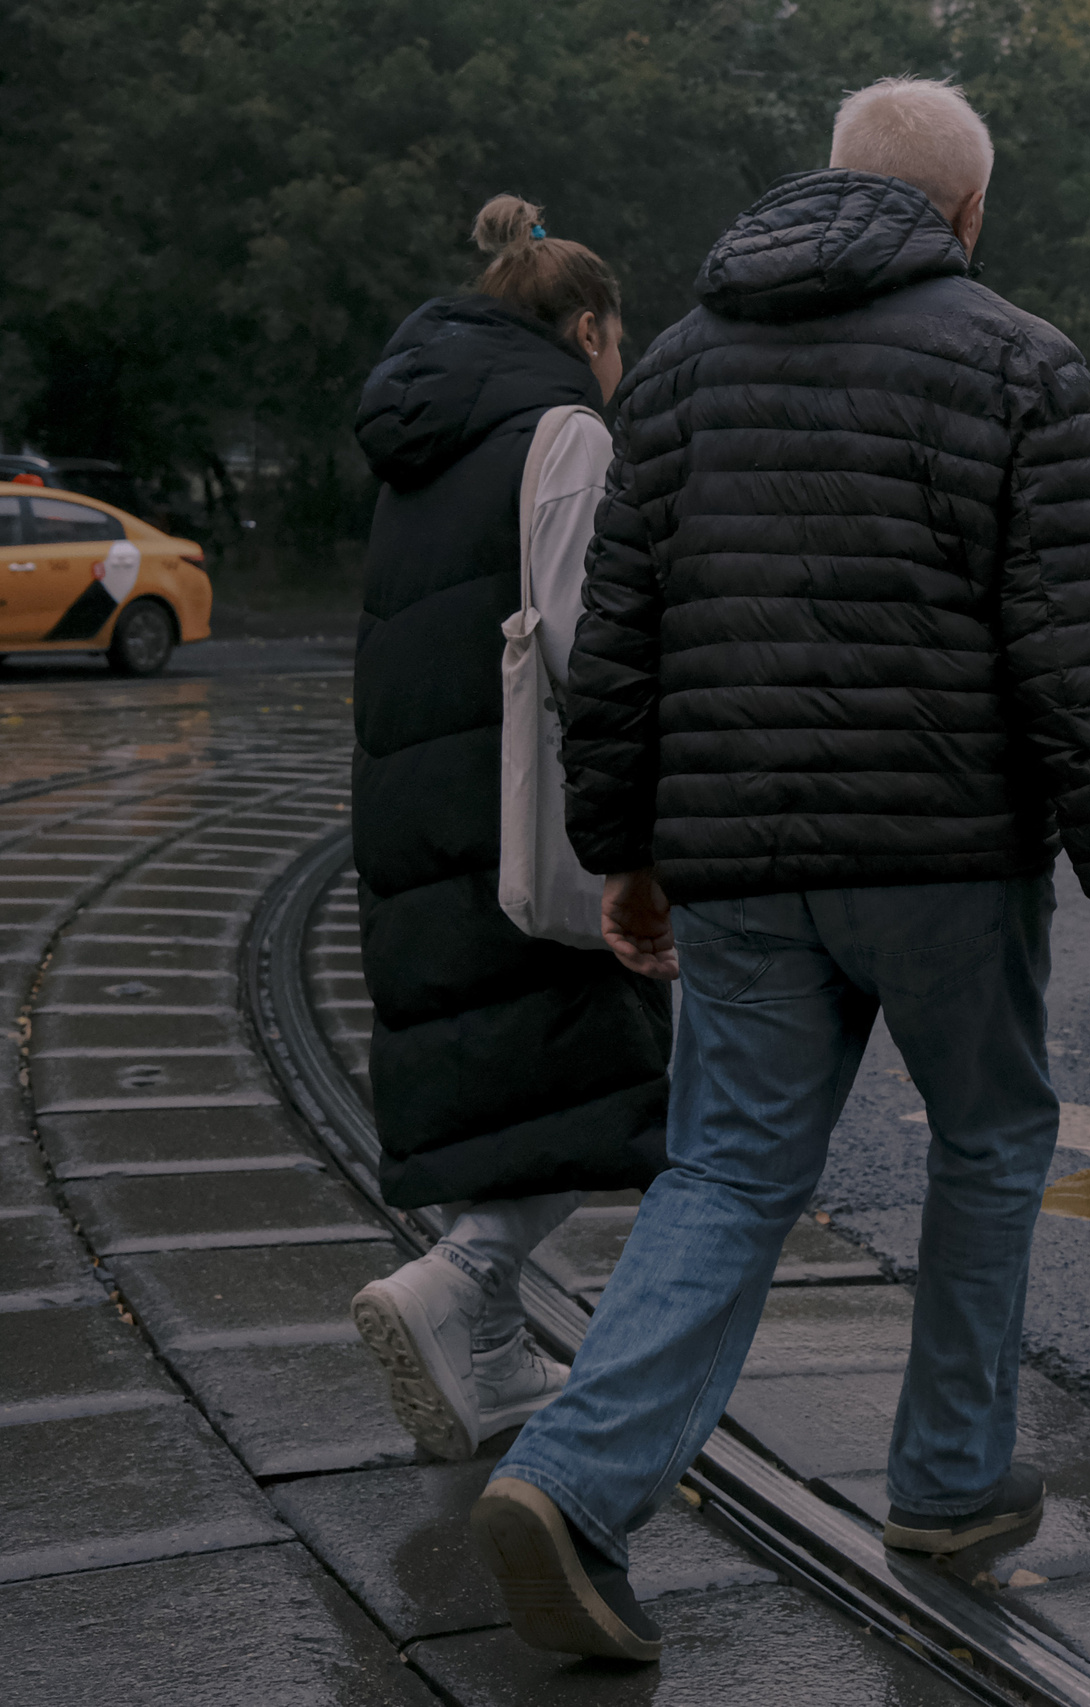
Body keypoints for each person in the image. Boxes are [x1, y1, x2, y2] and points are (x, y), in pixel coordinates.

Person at [467, 77, 1090, 1663]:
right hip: (942, 854)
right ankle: (947, 1480)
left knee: (726, 1169)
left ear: (828, 182)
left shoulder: (680, 371)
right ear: (966, 216)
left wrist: (624, 854)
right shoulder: (1017, 361)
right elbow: (1074, 651)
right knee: (988, 1137)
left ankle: (573, 1481)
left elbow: (620, 641)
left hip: (739, 861)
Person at [346, 197, 670, 1463]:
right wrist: (642, 815)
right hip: (530, 809)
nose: (623, 363)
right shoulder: (565, 432)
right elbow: (592, 639)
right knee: (609, 1065)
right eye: (621, 340)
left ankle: (481, 1347)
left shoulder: (418, 441)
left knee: (512, 1068)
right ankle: (464, 1282)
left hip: (422, 794)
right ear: (585, 325)